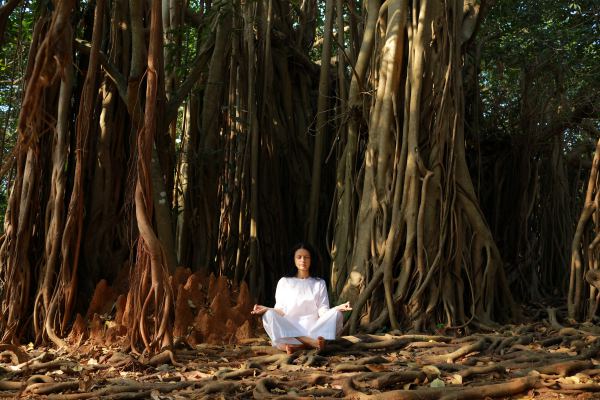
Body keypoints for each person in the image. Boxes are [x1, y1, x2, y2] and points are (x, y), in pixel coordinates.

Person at [251, 243, 352, 353]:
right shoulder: (284, 282)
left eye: (306, 257)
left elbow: (323, 311)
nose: (302, 260)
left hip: (315, 332)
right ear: (294, 260)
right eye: (299, 257)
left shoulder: (319, 283)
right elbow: (280, 310)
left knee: (337, 314)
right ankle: (308, 342)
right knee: (268, 315)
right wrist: (266, 309)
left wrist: (337, 308)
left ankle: (302, 345)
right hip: (289, 332)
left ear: (311, 260)